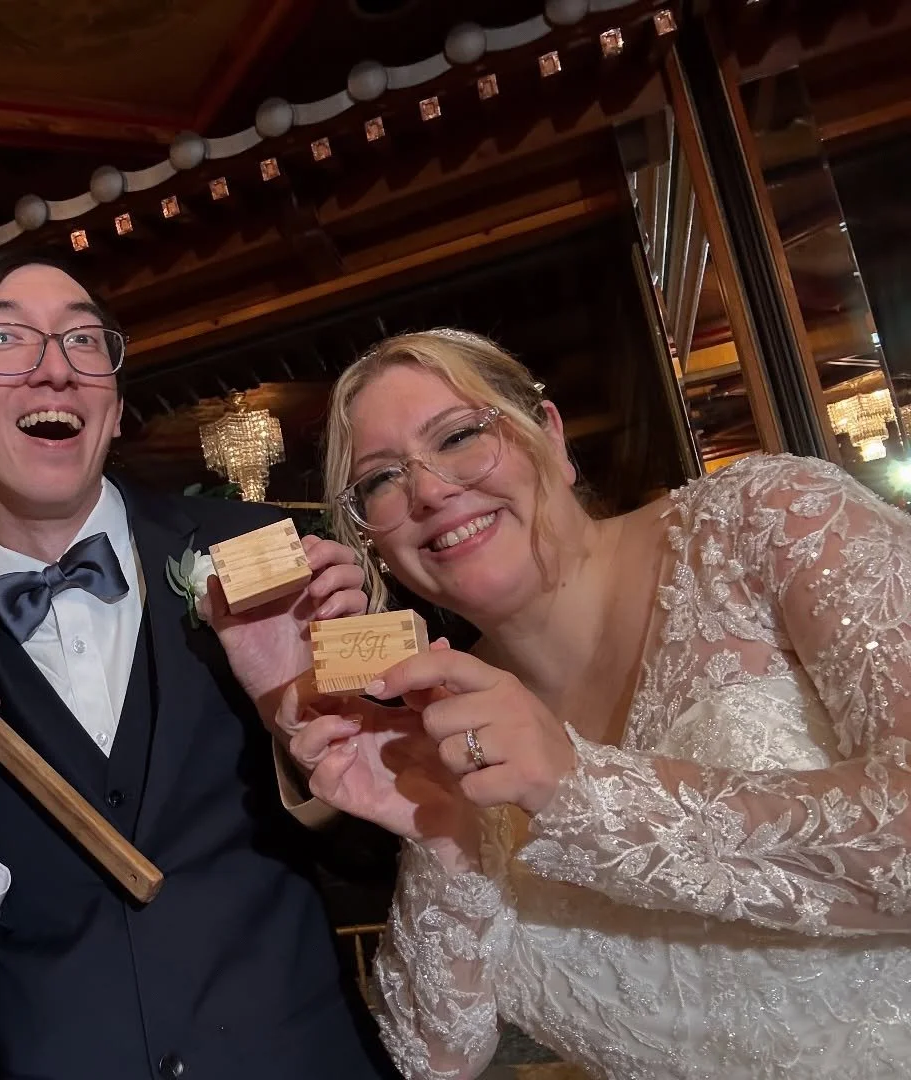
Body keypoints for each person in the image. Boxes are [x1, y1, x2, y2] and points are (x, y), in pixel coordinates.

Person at [281, 327, 911, 1079]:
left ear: (549, 436)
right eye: (381, 480)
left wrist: (577, 790)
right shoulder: (445, 721)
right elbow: (434, 1058)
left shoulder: (771, 522)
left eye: (459, 436)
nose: (428, 490)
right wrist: (442, 836)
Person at [0, 247, 398, 1080]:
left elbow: (377, 866)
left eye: (83, 341)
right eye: (5, 339)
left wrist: (307, 728)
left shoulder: (258, 554)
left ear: (117, 404)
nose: (55, 369)